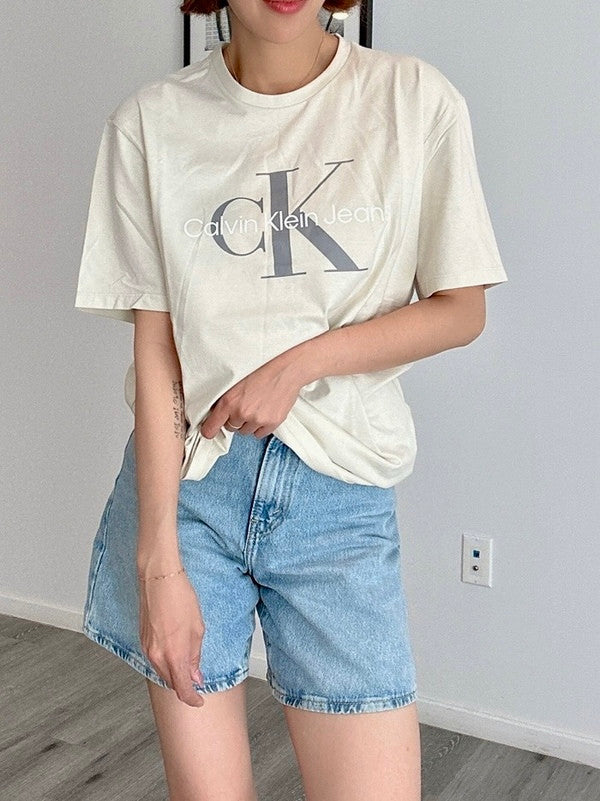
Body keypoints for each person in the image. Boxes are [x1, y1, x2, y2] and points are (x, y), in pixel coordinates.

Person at [73, 0, 508, 799]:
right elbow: (157, 353)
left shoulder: (414, 101)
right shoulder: (150, 124)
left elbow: (461, 307)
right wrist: (158, 562)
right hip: (189, 493)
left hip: (338, 499)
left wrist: (298, 366)